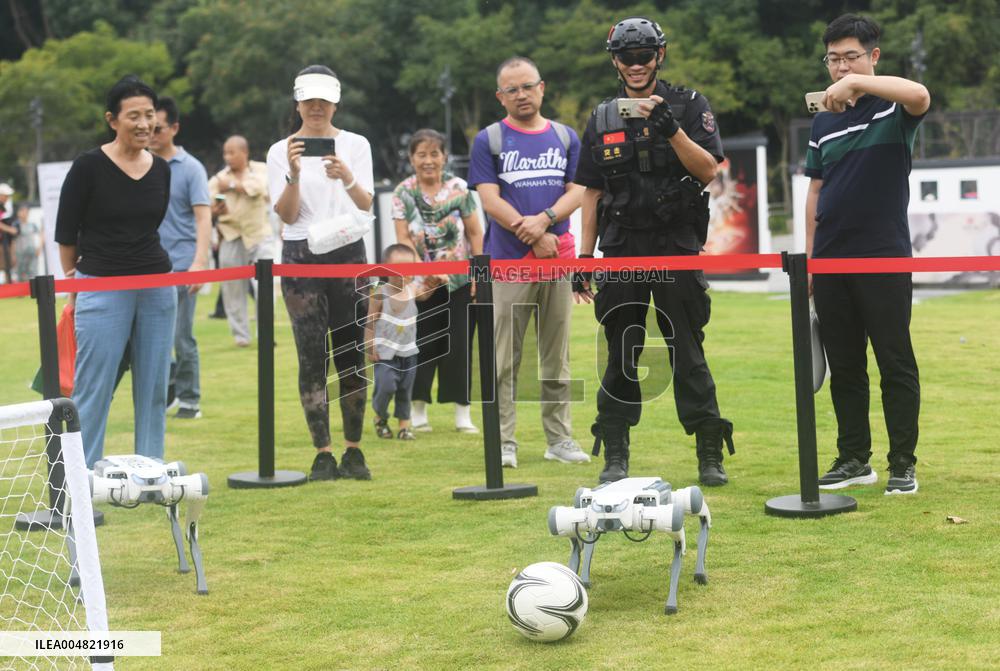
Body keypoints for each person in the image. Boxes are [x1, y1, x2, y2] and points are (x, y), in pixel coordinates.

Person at [573, 17, 735, 485]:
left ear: (659, 56)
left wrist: (671, 131)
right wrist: (584, 259)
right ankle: (615, 453)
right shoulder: (602, 117)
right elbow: (590, 193)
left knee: (686, 348)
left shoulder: (688, 105)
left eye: (645, 55)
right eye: (627, 57)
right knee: (622, 350)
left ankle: (709, 452)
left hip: (675, 243)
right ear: (615, 61)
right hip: (621, 246)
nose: (637, 65)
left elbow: (709, 172)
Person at [807, 14, 929, 495]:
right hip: (832, 259)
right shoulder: (823, 120)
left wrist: (860, 82)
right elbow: (815, 192)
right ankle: (854, 458)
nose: (840, 67)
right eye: (833, 59)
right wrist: (811, 260)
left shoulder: (893, 107)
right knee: (845, 366)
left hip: (883, 255)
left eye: (850, 57)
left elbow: (920, 96)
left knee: (895, 362)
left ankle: (903, 463)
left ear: (873, 56)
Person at [467, 56, 590, 469]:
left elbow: (580, 191)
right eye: (512, 89)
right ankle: (504, 442)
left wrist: (547, 221)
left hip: (555, 262)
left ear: (543, 87)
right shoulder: (489, 139)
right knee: (505, 358)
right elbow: (488, 200)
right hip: (508, 263)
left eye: (527, 86)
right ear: (500, 97)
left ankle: (560, 438)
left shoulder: (566, 136)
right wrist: (535, 234)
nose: (521, 95)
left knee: (557, 357)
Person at [54, 75, 176, 467]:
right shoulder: (88, 166)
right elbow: (66, 232)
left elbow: (151, 225)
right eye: (134, 116)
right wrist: (74, 283)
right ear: (112, 119)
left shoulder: (161, 169)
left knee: (154, 385)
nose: (144, 124)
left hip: (157, 284)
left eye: (149, 115)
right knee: (93, 386)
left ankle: (150, 470)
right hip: (101, 284)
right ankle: (82, 477)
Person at [267, 64, 375, 481]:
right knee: (311, 355)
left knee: (351, 353)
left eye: (323, 100)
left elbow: (365, 203)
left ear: (335, 102)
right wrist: (294, 174)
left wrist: (345, 174)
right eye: (309, 100)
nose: (316, 108)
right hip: (301, 252)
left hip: (348, 247)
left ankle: (353, 448)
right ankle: (322, 451)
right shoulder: (281, 150)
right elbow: (287, 213)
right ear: (297, 103)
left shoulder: (356, 144)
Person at [391, 129, 484, 433]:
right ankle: (417, 411)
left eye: (435, 154)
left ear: (445, 157)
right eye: (421, 154)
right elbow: (403, 238)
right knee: (422, 344)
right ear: (411, 158)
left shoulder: (459, 188)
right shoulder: (403, 193)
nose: (428, 161)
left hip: (459, 281)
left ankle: (462, 414)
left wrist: (477, 277)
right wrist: (423, 273)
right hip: (421, 285)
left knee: (460, 345)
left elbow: (474, 233)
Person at [148, 96, 211, 420]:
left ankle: (189, 399)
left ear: (174, 128)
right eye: (148, 128)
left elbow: (203, 218)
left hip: (183, 263)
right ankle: (170, 390)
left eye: (157, 128)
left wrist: (199, 264)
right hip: (146, 266)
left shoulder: (191, 168)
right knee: (146, 338)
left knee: (181, 337)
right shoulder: (140, 163)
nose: (151, 133)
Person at [208, 135, 271, 347]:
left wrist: (232, 185)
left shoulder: (260, 169)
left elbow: (258, 188)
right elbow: (206, 206)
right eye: (225, 153)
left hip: (258, 233)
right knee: (232, 288)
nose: (228, 157)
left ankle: (265, 333)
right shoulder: (218, 178)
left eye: (232, 152)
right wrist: (214, 211)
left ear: (245, 153)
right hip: (230, 234)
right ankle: (241, 336)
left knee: (266, 286)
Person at [365, 244, 428, 441]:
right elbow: (370, 321)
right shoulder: (378, 291)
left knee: (404, 390)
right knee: (386, 387)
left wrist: (435, 280)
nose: (402, 274)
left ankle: (404, 427)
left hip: (408, 352)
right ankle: (380, 417)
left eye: (408, 269)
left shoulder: (413, 289)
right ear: (385, 268)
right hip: (385, 353)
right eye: (396, 268)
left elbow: (426, 293)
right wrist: (370, 347)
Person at [14, 203, 41, 281]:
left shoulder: (32, 225)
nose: (25, 213)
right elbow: (13, 241)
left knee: (33, 271)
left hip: (32, 251)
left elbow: (39, 236)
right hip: (20, 252)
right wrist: (13, 254)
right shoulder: (15, 225)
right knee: (20, 272)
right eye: (22, 211)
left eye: (26, 211)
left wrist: (39, 247)